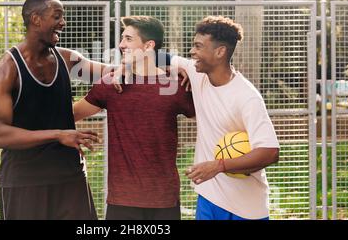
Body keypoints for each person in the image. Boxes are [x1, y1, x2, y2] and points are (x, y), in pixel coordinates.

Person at [0, 0, 112, 220]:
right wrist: (58, 135)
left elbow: (113, 73)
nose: (63, 22)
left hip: (70, 177)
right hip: (24, 181)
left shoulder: (67, 60)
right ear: (36, 19)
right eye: (57, 16)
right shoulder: (6, 70)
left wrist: (171, 66)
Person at [73, 16, 196, 220]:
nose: (121, 45)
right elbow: (72, 114)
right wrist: (61, 135)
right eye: (122, 39)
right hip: (122, 200)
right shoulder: (111, 84)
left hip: (164, 200)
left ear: (149, 45)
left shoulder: (175, 85)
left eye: (129, 39)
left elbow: (208, 117)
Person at [170, 16, 280, 220]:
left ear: (220, 52)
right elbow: (155, 57)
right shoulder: (197, 74)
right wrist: (127, 67)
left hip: (247, 207)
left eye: (198, 46)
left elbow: (270, 152)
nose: (192, 52)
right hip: (209, 198)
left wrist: (219, 166)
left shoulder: (247, 97)